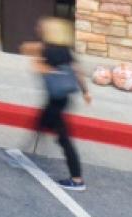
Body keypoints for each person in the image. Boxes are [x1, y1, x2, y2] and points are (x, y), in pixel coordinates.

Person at [24, 16, 91, 191]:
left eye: (41, 27)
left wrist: (40, 63)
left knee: (64, 138)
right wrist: (85, 92)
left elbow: (30, 56)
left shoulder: (46, 50)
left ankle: (77, 179)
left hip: (56, 100)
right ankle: (30, 146)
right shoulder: (65, 51)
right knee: (42, 119)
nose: (38, 28)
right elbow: (78, 71)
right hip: (63, 98)